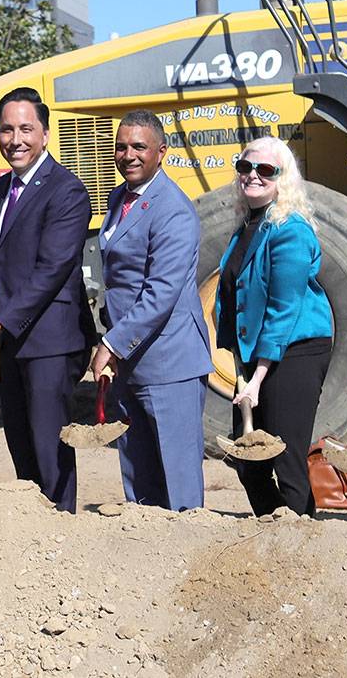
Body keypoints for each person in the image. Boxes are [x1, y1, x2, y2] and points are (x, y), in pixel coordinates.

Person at [0, 87, 95, 512]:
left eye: (26, 129)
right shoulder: (0, 189)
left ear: (45, 134)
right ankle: (36, 531)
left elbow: (52, 270)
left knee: (49, 447)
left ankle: (62, 531)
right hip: (13, 336)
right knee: (20, 442)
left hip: (50, 342)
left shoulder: (67, 192)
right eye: (7, 129)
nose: (16, 139)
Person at [90, 110, 214, 512]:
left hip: (169, 362)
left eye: (139, 147)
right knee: (139, 478)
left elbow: (161, 293)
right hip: (133, 361)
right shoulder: (119, 197)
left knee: (177, 483)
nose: (128, 155)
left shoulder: (173, 210)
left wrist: (111, 343)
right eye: (121, 146)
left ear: (161, 151)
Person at [214, 136, 333, 517]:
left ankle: (299, 542)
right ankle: (273, 528)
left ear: (284, 179)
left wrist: (257, 379)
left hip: (296, 350)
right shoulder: (249, 225)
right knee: (248, 457)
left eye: (266, 170)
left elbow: (284, 309)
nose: (253, 175)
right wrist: (239, 364)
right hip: (259, 355)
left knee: (285, 457)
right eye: (245, 167)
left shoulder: (289, 230)